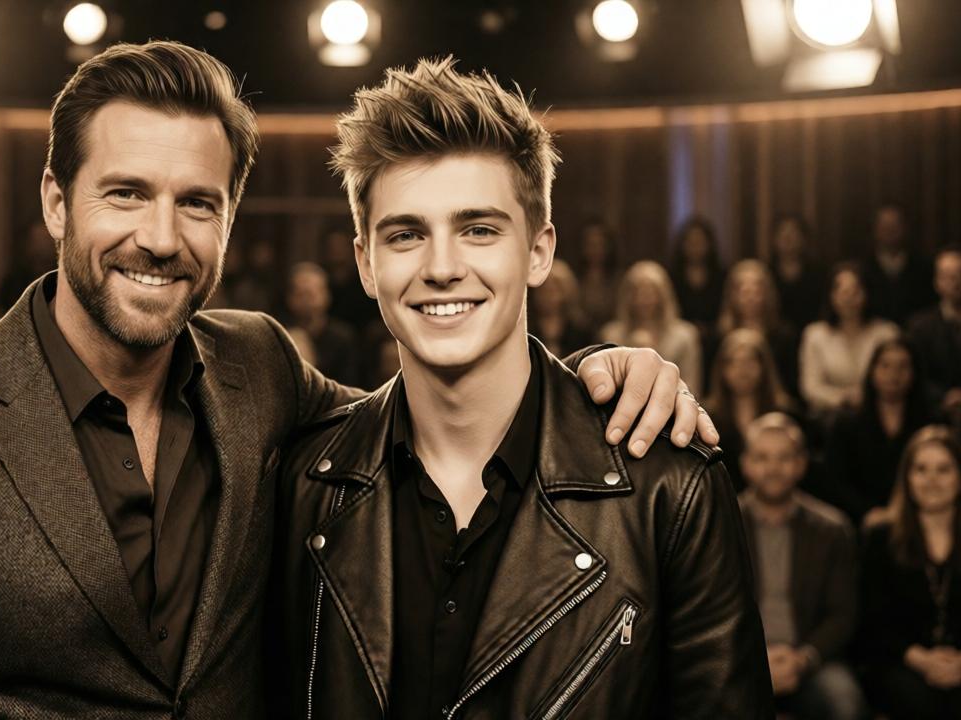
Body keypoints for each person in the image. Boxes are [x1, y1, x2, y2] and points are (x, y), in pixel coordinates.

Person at [0, 41, 714, 717]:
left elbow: (442, 412)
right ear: (55, 199)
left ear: (231, 219)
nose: (160, 235)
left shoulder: (260, 371)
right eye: (125, 193)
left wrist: (596, 377)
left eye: (197, 203)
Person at [269, 57, 768, 719]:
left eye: (478, 230)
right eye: (406, 234)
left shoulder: (669, 485)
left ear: (538, 250)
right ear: (365, 263)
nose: (442, 267)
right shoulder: (302, 483)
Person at [737, 413, 867, 720]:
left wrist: (801, 659)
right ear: (745, 464)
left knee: (847, 705)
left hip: (811, 659)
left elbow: (843, 613)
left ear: (801, 464)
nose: (773, 468)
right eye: (763, 458)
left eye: (784, 458)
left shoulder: (832, 530)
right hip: (740, 659)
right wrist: (755, 659)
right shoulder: (722, 522)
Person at [859, 425, 961, 719]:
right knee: (917, 701)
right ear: (907, 478)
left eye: (943, 470)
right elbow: (872, 621)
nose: (931, 480)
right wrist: (923, 660)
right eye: (921, 469)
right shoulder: (880, 536)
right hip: (901, 662)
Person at [825, 339, 937, 525]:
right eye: (885, 365)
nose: (894, 374)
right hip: (858, 522)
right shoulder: (846, 424)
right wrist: (867, 512)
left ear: (914, 373)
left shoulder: (931, 424)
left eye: (903, 366)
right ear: (872, 371)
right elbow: (835, 481)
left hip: (921, 518)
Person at [799, 263, 899, 421]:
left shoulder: (886, 333)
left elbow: (896, 378)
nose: (849, 299)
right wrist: (844, 398)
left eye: (855, 292)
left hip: (879, 414)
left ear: (866, 294)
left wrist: (866, 397)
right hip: (829, 417)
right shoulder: (815, 335)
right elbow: (811, 388)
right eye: (843, 292)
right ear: (832, 295)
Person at [703, 328, 798, 491]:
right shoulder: (705, 417)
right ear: (722, 370)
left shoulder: (787, 413)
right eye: (734, 362)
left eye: (750, 361)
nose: (742, 371)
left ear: (764, 367)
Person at [602, 260, 704, 395]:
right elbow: (606, 384)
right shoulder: (611, 334)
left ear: (663, 295)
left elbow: (691, 388)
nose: (644, 299)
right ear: (627, 296)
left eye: (650, 292)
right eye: (637, 292)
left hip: (675, 407)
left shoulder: (685, 336)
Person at [907, 247, 961, 434]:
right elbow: (915, 373)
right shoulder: (919, 327)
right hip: (932, 416)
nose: (956, 282)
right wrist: (946, 397)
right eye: (948, 275)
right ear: (936, 282)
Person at [716, 259, 799, 395]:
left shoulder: (785, 336)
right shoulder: (719, 336)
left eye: (756, 291)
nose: (750, 297)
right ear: (732, 296)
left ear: (767, 295)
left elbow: (790, 386)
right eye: (744, 291)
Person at [283, 262, 361, 386]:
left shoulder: (343, 339)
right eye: (300, 294)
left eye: (311, 294)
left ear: (327, 296)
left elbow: (350, 387)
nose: (305, 301)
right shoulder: (280, 335)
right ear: (289, 298)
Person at [860, 204, 935, 326]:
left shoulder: (923, 267)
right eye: (884, 225)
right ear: (875, 229)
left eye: (895, 225)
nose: (890, 230)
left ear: (905, 228)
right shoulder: (863, 268)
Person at [668, 216, 725, 338]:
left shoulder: (721, 276)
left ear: (709, 244)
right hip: (680, 335)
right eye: (691, 242)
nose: (695, 247)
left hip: (714, 336)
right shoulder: (672, 276)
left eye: (700, 242)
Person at [769, 214, 826, 331]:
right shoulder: (766, 273)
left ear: (804, 239)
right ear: (774, 239)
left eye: (793, 233)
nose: (788, 238)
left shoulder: (818, 273)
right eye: (783, 233)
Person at [529, 261, 596, 357]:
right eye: (543, 289)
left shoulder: (581, 330)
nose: (547, 296)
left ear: (567, 291)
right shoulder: (526, 328)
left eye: (553, 290)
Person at [0, 219, 60, 309]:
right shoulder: (15, 279)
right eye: (37, 240)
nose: (42, 245)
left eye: (45, 239)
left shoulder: (62, 276)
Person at [574, 218, 621, 331]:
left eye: (599, 244)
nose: (595, 250)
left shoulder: (618, 280)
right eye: (591, 244)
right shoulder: (574, 280)